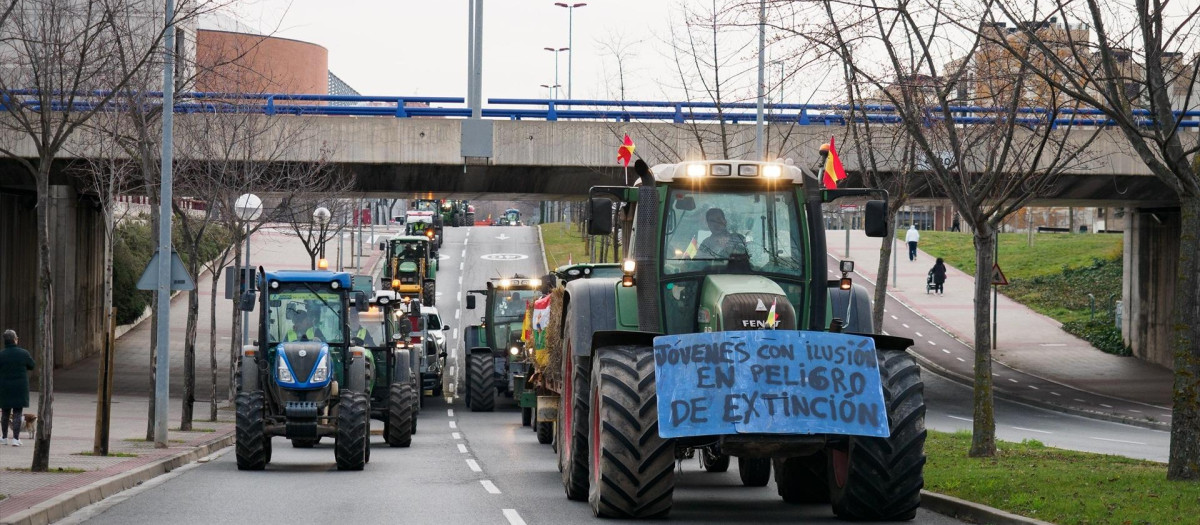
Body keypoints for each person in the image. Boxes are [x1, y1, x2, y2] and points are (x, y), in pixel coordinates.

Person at [0, 329, 36, 446]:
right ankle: (16, 439)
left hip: (4, 387)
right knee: (17, 413)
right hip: (19, 387)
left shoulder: (1, 354)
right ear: (15, 340)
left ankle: (4, 437)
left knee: (5, 413)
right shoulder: (23, 353)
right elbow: (32, 365)